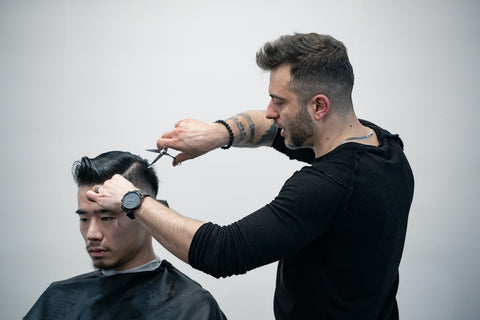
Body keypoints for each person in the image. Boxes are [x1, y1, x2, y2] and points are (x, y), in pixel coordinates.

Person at [87, 33, 415, 319]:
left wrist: (134, 201)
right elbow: (270, 128)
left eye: (279, 101)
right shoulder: (383, 146)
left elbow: (223, 251)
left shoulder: (328, 186)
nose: (270, 111)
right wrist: (217, 134)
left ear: (319, 107)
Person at [24, 151, 226, 320]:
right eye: (84, 219)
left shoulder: (191, 307)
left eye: (106, 218)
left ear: (147, 216)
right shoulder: (57, 298)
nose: (92, 234)